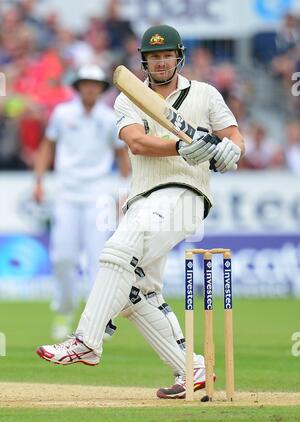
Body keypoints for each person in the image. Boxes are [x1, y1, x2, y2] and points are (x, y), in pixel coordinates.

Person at [36, 25, 244, 399]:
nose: (160, 62)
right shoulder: (128, 97)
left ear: (178, 57)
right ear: (144, 61)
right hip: (143, 197)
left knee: (117, 251)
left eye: (166, 55)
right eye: (153, 56)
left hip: (185, 193)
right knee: (136, 291)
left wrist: (232, 150)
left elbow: (232, 134)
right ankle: (192, 370)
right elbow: (135, 142)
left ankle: (87, 340)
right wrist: (179, 148)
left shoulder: (206, 94)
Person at [34, 64, 130, 340]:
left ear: (101, 89)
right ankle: (64, 310)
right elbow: (47, 146)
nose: (90, 88)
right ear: (78, 87)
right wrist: (39, 180)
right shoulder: (63, 114)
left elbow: (121, 155)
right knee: (63, 258)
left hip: (98, 194)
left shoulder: (109, 117)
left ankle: (97, 320)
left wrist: (123, 190)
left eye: (95, 84)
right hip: (66, 192)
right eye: (86, 83)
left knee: (98, 259)